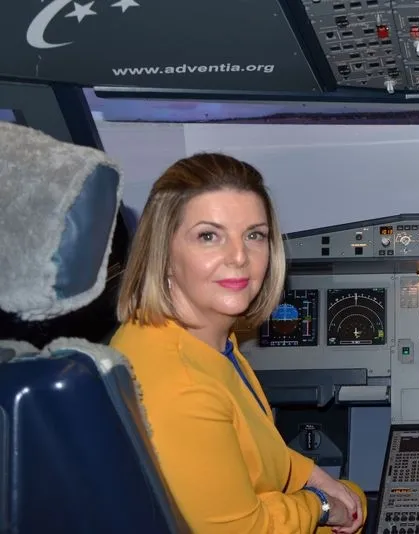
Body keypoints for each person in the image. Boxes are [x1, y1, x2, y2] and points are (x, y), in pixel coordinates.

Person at [111, 153, 366, 534]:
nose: (239, 257)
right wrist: (322, 505)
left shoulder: (208, 340)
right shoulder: (179, 382)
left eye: (254, 235)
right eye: (209, 236)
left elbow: (253, 451)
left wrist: (312, 475)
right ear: (162, 251)